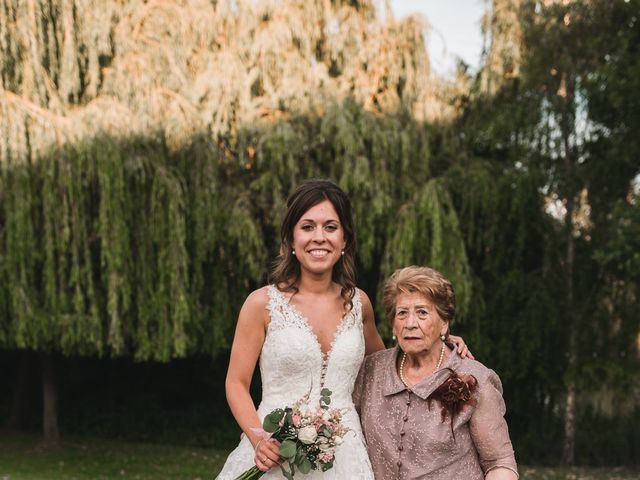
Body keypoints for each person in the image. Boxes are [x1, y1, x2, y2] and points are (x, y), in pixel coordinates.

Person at [216, 180, 470, 479]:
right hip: (273, 449)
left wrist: (436, 341)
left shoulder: (358, 303)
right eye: (307, 227)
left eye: (330, 227)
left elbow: (388, 367)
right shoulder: (261, 304)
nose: (319, 237)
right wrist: (259, 439)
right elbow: (236, 383)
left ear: (345, 239)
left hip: (345, 454)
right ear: (291, 239)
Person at [353, 265, 518, 480]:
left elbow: (499, 463)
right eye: (402, 313)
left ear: (444, 324)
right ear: (393, 326)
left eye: (422, 312)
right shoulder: (371, 370)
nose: (410, 324)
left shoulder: (474, 378)